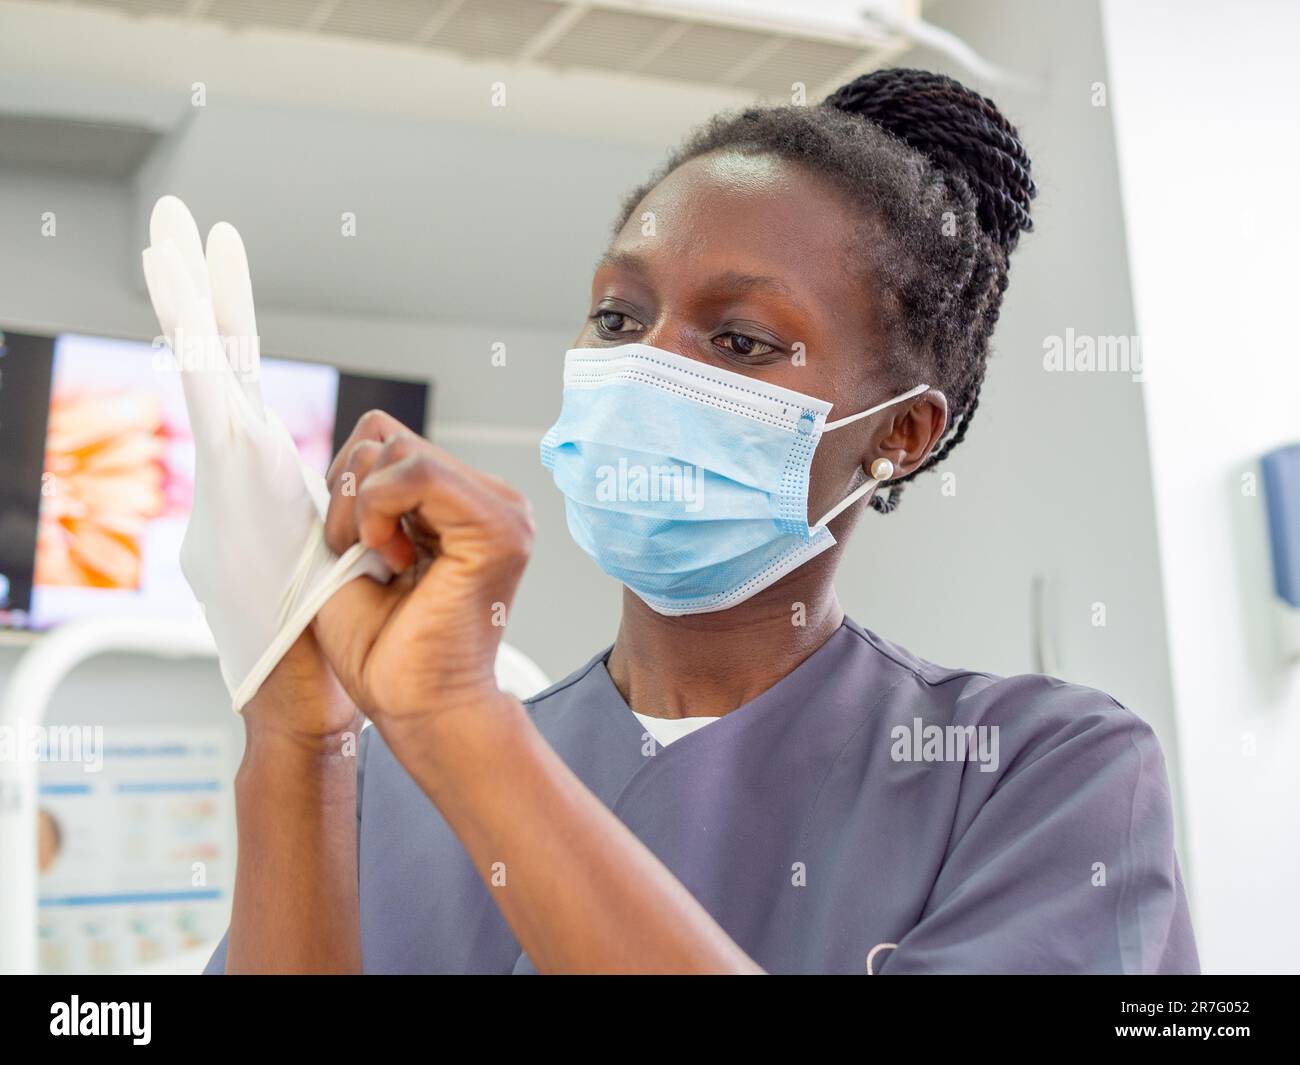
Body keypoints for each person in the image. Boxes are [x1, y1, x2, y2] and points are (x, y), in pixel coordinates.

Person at [201, 68, 1198, 974]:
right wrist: (294, 737)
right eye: (620, 320)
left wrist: (459, 723)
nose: (647, 369)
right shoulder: (384, 782)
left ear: (899, 433)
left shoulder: (1037, 776)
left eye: (740, 339)